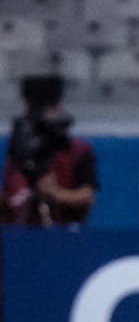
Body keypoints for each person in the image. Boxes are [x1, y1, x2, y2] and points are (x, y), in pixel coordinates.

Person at [1, 75, 98, 226]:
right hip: (20, 231)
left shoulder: (78, 150)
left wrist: (54, 193)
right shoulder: (19, 148)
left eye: (50, 107)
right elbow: (10, 192)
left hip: (64, 229)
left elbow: (87, 195)